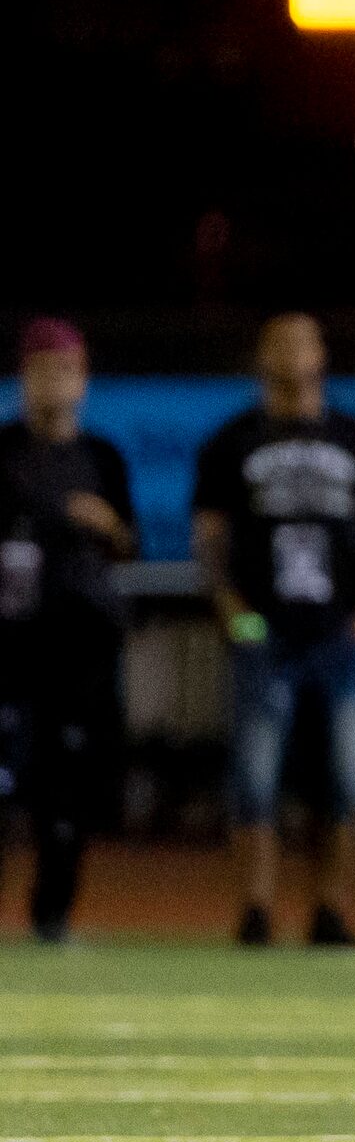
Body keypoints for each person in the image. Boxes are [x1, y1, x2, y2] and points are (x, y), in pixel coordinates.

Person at [192, 314, 355, 947]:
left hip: (339, 633)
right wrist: (231, 610)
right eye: (278, 341)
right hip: (266, 633)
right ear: (259, 356)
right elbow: (210, 538)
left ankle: (330, 910)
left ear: (322, 354)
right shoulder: (232, 440)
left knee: (347, 777)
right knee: (256, 778)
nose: (292, 352)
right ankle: (256, 910)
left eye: (304, 340)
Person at [0, 320, 137, 941]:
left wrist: (105, 522)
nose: (53, 383)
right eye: (40, 370)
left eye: (65, 370)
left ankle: (51, 917)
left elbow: (128, 545)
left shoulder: (102, 457)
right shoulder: (3, 452)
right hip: (8, 643)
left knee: (67, 789)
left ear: (83, 380)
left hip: (79, 642)